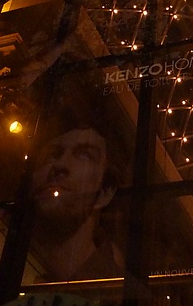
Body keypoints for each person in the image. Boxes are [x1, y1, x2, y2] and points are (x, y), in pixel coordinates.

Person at [29, 119, 124, 282]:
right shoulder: (11, 265)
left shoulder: (117, 290)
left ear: (104, 193)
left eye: (84, 155)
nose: (60, 164)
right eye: (52, 155)